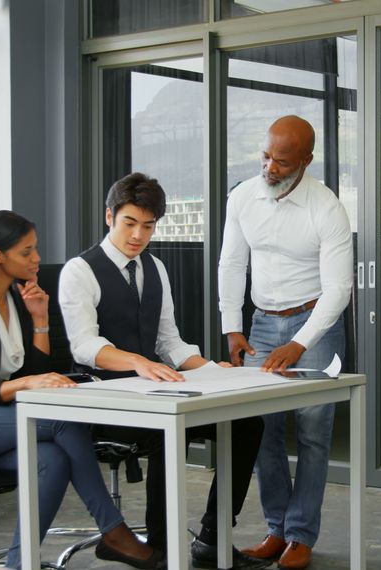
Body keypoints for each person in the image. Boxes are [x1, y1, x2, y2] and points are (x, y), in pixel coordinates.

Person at [0, 210, 158, 569]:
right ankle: (113, 531)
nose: (37, 259)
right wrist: (30, 382)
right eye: (26, 252)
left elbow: (37, 375)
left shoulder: (16, 299)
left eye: (36, 249)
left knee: (53, 460)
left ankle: (19, 564)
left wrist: (41, 321)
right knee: (62, 421)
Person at [59, 173, 268, 570]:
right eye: (129, 223)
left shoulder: (155, 267)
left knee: (246, 424)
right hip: (102, 400)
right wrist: (137, 361)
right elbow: (84, 346)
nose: (138, 235)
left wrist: (212, 370)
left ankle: (212, 538)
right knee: (165, 431)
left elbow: (169, 343)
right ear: (109, 217)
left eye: (148, 226)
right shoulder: (79, 270)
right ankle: (162, 547)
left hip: (153, 391)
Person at [218, 115, 354, 570]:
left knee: (314, 435)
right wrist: (232, 326)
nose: (270, 168)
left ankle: (300, 536)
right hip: (259, 324)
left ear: (305, 161)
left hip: (316, 324)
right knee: (260, 432)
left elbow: (339, 290)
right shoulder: (242, 197)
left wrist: (298, 342)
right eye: (266, 156)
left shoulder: (327, 208)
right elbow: (231, 264)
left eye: (281, 161)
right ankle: (276, 529)